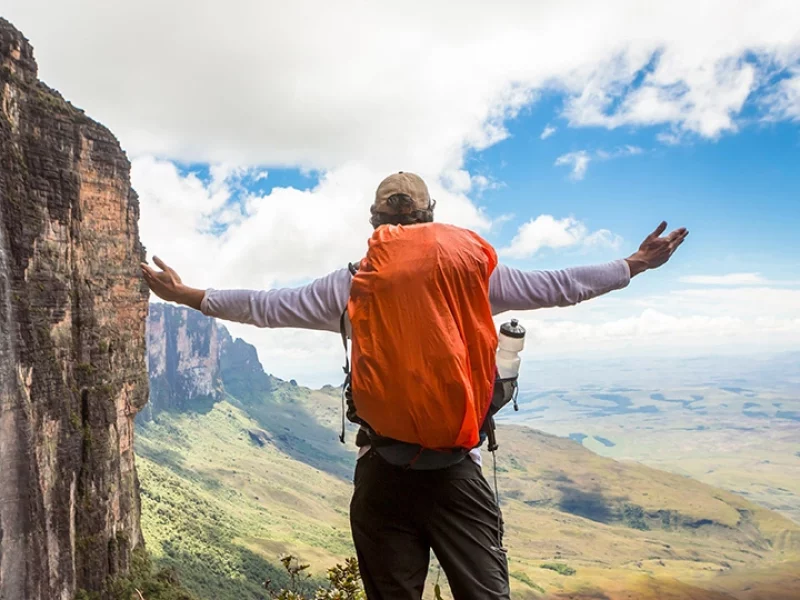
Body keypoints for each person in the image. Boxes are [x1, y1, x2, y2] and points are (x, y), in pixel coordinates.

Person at [141, 172, 688, 600]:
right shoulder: (472, 272)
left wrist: (188, 295)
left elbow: (265, 306)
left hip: (382, 473)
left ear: (376, 220)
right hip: (454, 473)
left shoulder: (354, 281)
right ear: (431, 217)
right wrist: (634, 265)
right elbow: (559, 286)